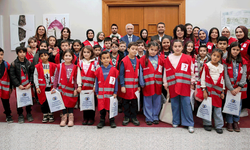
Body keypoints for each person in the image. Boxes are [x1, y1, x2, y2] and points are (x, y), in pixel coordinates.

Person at [163, 40, 195, 133]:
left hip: (184, 85)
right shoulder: (169, 58)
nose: (177, 48)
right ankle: (176, 121)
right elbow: (166, 71)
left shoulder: (187, 58)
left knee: (186, 104)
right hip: (172, 85)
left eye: (179, 46)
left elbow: (192, 71)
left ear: (182, 47)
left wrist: (192, 82)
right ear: (172, 48)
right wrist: (165, 83)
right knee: (175, 104)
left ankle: (189, 123)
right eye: (175, 46)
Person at [197, 49, 225, 134]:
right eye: (214, 55)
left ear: (220, 58)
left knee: (217, 109)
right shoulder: (206, 66)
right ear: (211, 55)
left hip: (217, 92)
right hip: (208, 91)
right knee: (208, 107)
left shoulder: (221, 67)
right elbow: (202, 79)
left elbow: (222, 79)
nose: (215, 58)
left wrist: (223, 91)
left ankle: (219, 125)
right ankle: (207, 123)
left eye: (218, 56)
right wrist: (204, 90)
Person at [224, 42, 247, 132]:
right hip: (230, 88)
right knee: (229, 104)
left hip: (239, 89)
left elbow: (244, 74)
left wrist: (239, 87)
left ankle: (236, 122)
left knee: (238, 105)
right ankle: (229, 122)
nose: (235, 51)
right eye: (234, 49)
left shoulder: (243, 61)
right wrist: (230, 88)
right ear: (230, 50)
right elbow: (225, 75)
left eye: (237, 50)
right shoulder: (226, 61)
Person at [52, 49, 78, 127]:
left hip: (71, 89)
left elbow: (76, 78)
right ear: (63, 57)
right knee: (62, 103)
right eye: (66, 55)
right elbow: (56, 77)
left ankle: (70, 118)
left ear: (72, 57)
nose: (68, 57)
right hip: (62, 88)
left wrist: (76, 88)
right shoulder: (59, 66)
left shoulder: (75, 67)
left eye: (69, 56)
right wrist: (54, 87)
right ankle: (64, 117)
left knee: (70, 103)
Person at [139, 41, 163, 125]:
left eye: (155, 50)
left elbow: (163, 71)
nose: (153, 51)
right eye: (151, 49)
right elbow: (140, 72)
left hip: (158, 84)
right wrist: (141, 82)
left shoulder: (160, 59)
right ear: (147, 49)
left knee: (157, 101)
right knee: (147, 101)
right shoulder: (142, 59)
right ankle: (148, 117)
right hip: (147, 84)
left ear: (158, 51)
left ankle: (155, 116)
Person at [9, 47, 34, 123]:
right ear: (17, 53)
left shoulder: (29, 63)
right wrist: (18, 84)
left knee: (28, 99)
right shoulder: (13, 64)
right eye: (20, 52)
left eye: (24, 52)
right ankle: (20, 114)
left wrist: (30, 83)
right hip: (19, 86)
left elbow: (32, 74)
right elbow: (12, 76)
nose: (22, 53)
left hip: (28, 85)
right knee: (19, 100)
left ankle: (29, 113)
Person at [95, 51, 119, 129]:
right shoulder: (98, 70)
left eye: (107, 58)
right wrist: (97, 92)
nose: (106, 60)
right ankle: (102, 120)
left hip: (110, 93)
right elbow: (96, 82)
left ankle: (111, 120)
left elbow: (116, 82)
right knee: (102, 108)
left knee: (110, 107)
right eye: (104, 58)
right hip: (101, 94)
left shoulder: (114, 70)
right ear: (101, 60)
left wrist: (115, 92)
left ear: (110, 59)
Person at [119, 42, 140, 126]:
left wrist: (138, 85)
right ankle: (127, 117)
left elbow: (139, 74)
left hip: (135, 87)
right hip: (126, 87)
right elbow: (121, 74)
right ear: (128, 50)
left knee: (134, 103)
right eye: (133, 49)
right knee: (126, 103)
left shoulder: (138, 60)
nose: (134, 51)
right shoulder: (124, 61)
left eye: (136, 49)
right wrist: (122, 85)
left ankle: (134, 117)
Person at [33, 50, 57, 123]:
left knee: (50, 100)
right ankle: (45, 114)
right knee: (43, 101)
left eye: (45, 55)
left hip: (51, 87)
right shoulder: (37, 66)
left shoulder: (53, 65)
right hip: (42, 87)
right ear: (40, 57)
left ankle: (51, 113)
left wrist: (55, 87)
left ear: (48, 56)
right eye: (42, 56)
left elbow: (56, 76)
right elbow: (35, 76)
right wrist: (37, 87)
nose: (44, 57)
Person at [77, 46, 96, 125]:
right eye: (84, 52)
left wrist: (95, 86)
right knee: (84, 102)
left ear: (91, 53)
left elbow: (97, 76)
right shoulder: (81, 62)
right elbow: (78, 74)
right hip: (83, 87)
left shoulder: (95, 63)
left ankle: (91, 118)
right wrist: (79, 85)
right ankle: (85, 118)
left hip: (91, 87)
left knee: (91, 102)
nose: (86, 54)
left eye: (88, 52)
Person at [235, 25, 250, 115]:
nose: (238, 34)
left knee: (246, 90)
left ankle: (244, 109)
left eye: (240, 32)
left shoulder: (249, 43)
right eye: (237, 32)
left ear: (245, 32)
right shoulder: (237, 43)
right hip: (237, 71)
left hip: (247, 71)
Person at [0, 48, 13, 123]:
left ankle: (8, 115)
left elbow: (10, 76)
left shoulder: (6, 64)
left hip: (5, 88)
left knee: (6, 102)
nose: (0, 56)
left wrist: (11, 87)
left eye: (1, 54)